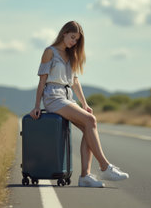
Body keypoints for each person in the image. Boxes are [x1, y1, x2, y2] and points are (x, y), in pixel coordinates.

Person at [29, 21, 129, 188]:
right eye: (72, 37)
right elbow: (42, 82)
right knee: (91, 121)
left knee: (88, 127)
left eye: (76, 40)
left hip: (67, 97)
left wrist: (84, 103)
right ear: (64, 33)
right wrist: (37, 105)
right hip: (53, 97)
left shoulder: (72, 54)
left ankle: (85, 177)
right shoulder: (50, 52)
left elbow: (75, 82)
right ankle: (105, 167)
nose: (73, 42)